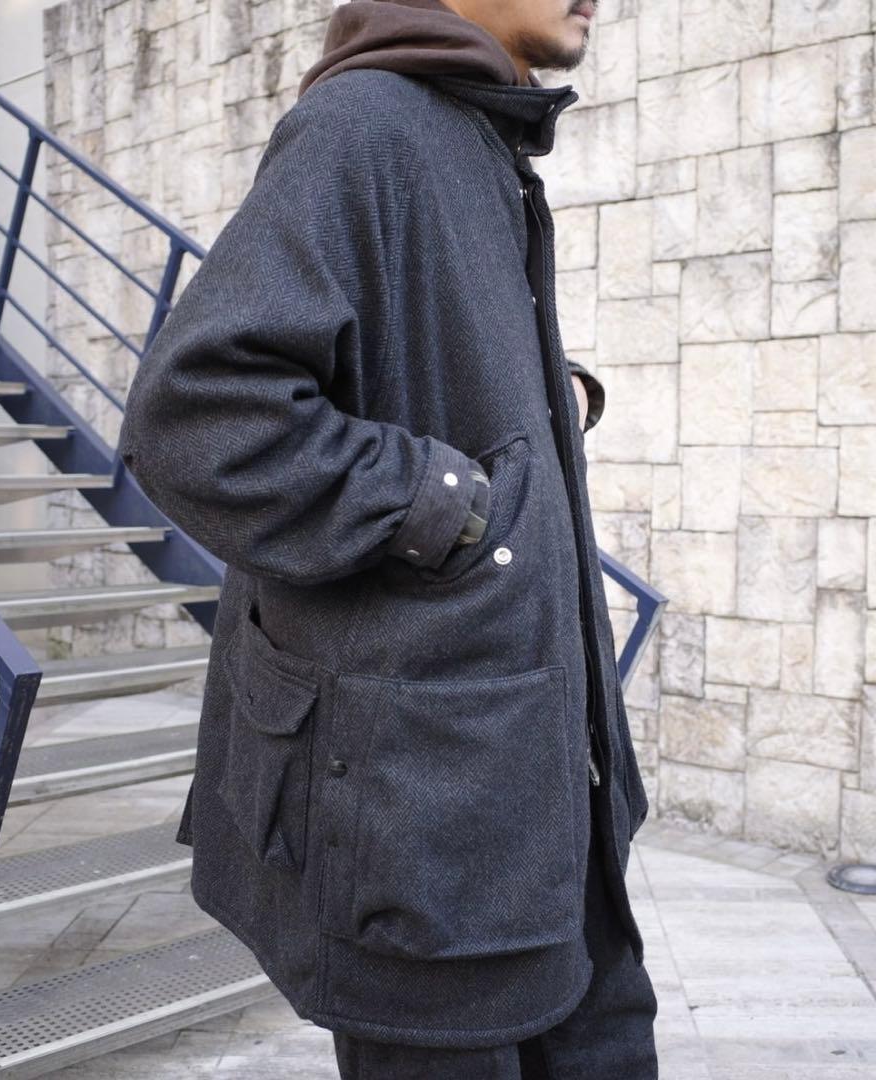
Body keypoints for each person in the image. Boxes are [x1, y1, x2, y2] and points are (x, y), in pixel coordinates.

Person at [115, 0, 657, 1076]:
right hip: (420, 823)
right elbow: (198, 416)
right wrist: (445, 503)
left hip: (536, 794)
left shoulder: (477, 140)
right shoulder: (365, 128)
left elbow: (405, 361)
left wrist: (539, 396)